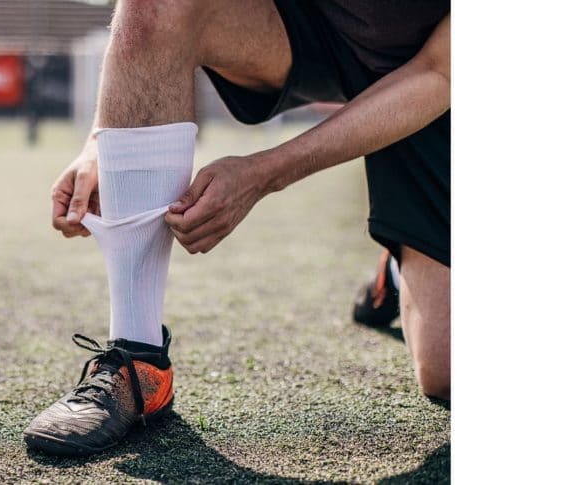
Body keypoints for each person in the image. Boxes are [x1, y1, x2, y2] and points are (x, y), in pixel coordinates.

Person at [24, 0, 450, 457]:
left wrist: (266, 172)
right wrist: (103, 140)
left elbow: (441, 73)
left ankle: (400, 261)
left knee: (447, 372)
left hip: (437, 73)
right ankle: (139, 360)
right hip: (309, 30)